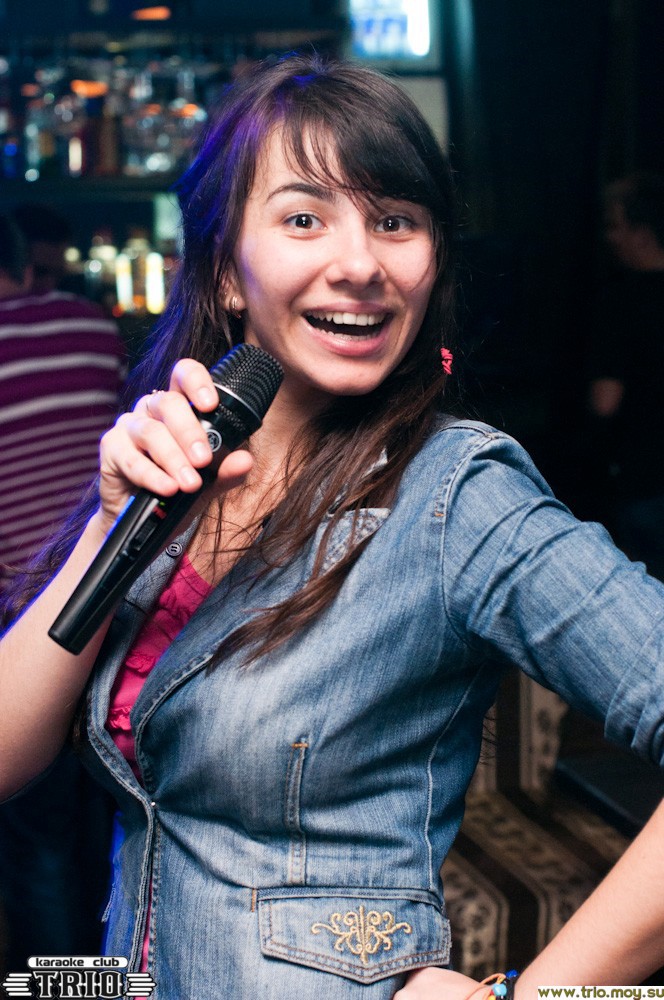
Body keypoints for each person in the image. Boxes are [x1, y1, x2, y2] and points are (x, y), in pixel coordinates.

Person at [1, 54, 664, 998]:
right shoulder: (178, 463)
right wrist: (115, 523)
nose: (360, 264)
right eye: (304, 218)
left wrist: (530, 996)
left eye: (395, 221)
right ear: (225, 271)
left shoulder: (457, 494)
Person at [0, 213, 124, 967]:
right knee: (111, 829)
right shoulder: (90, 326)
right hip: (113, 597)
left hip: (22, 618)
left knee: (39, 849)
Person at [587, 172, 664, 580]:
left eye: (615, 225)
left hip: (644, 479)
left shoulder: (621, 302)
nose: (609, 237)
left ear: (642, 231)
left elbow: (605, 401)